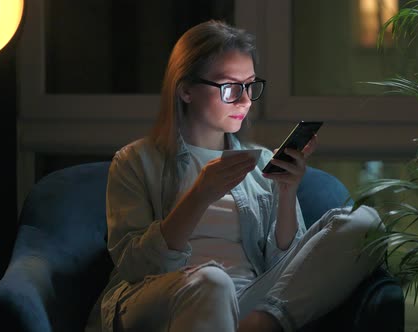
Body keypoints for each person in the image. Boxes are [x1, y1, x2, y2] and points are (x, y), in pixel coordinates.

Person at [85, 20, 384, 332]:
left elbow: (286, 270)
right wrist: (199, 195)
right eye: (230, 88)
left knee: (366, 222)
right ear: (186, 89)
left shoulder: (261, 162)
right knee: (213, 282)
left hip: (247, 303)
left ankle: (262, 324)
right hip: (162, 299)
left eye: (250, 85)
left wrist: (287, 193)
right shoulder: (135, 161)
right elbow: (136, 266)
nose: (244, 101)